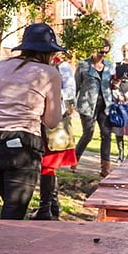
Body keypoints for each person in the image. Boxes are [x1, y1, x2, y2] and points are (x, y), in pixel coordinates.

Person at [0, 23, 64, 220]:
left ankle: (0, 245)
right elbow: (52, 121)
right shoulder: (49, 73)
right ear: (48, 52)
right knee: (14, 211)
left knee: (11, 206)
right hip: (23, 145)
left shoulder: (0, 65)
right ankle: (2, 249)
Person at [30, 54, 78, 220]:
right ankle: (52, 205)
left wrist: (50, 93)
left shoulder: (62, 67)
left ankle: (46, 208)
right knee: (47, 165)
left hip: (54, 119)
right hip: (39, 118)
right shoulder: (36, 68)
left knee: (49, 164)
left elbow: (70, 91)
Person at [74, 40, 115, 177]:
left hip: (105, 106)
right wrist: (71, 105)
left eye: (105, 52)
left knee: (106, 135)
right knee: (88, 134)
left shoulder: (109, 66)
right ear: (93, 50)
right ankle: (74, 161)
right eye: (100, 52)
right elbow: (76, 86)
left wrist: (115, 84)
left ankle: (105, 168)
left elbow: (112, 85)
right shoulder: (83, 65)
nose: (103, 55)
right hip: (87, 105)